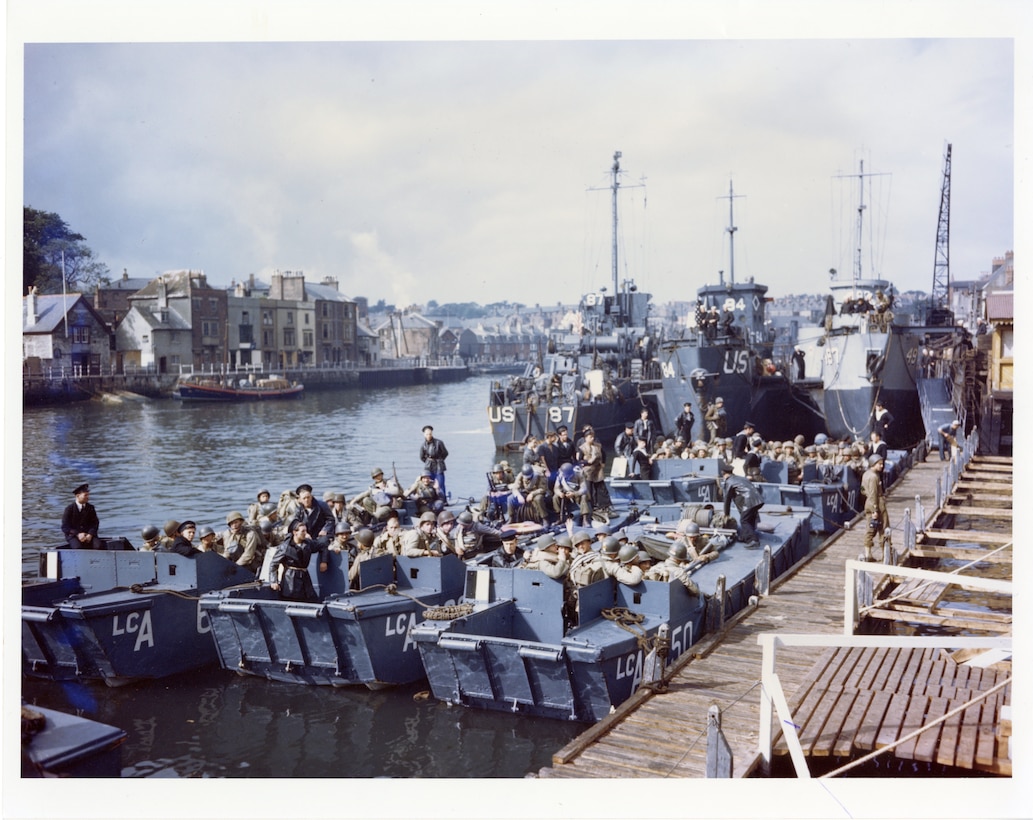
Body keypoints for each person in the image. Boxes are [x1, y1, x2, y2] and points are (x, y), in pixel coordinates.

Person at [269, 519, 319, 601]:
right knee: (292, 599)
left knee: (311, 599)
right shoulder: (285, 547)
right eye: (303, 531)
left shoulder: (308, 544)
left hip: (305, 579)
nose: (305, 533)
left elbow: (321, 545)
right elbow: (274, 564)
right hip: (291, 579)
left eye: (306, 531)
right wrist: (273, 581)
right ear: (295, 532)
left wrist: (325, 560)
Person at [721, 463, 763, 549]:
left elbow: (727, 499)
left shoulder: (729, 481)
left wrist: (726, 514)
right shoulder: (740, 478)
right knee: (749, 518)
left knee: (744, 520)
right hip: (758, 499)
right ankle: (745, 536)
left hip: (749, 501)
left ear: (724, 474)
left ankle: (753, 540)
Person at [861, 454, 889, 561]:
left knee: (870, 528)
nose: (882, 466)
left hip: (868, 502)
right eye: (879, 464)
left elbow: (862, 489)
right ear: (873, 464)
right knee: (884, 528)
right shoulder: (874, 477)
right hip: (877, 502)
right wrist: (875, 509)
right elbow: (873, 494)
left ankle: (868, 554)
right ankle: (885, 555)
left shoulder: (865, 474)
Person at [578, 429, 612, 516]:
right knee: (589, 489)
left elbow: (603, 454)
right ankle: (591, 506)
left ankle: (604, 505)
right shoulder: (581, 448)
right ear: (586, 438)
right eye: (590, 437)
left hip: (598, 469)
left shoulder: (598, 446)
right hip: (588, 470)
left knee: (601, 488)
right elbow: (579, 461)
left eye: (593, 437)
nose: (592, 439)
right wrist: (587, 462)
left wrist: (603, 463)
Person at [292, 484, 334, 549]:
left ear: (311, 496)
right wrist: (304, 533)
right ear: (300, 499)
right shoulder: (299, 509)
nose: (306, 500)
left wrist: (325, 530)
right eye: (304, 498)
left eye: (308, 497)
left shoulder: (322, 505)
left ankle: (324, 559)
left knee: (323, 543)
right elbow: (296, 522)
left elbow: (330, 520)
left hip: (320, 534)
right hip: (306, 534)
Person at [61, 483, 102, 549]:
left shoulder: (90, 508)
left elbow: (95, 523)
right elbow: (65, 527)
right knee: (78, 548)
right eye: (85, 495)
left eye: (88, 495)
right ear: (77, 496)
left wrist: (90, 534)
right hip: (73, 536)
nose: (87, 497)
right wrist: (78, 534)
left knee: (98, 546)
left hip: (88, 534)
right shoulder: (69, 509)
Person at [419, 425, 449, 501]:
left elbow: (445, 453)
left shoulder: (439, 442)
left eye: (430, 434)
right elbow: (422, 457)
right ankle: (432, 499)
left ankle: (443, 500)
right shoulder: (423, 445)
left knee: (440, 483)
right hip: (429, 466)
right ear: (424, 435)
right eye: (427, 434)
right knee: (430, 483)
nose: (429, 435)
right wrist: (428, 462)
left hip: (439, 465)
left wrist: (440, 460)